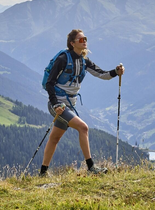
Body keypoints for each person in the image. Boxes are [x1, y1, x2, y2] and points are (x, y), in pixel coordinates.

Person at [40, 29, 125, 176]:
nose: (84, 41)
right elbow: (49, 83)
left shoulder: (84, 61)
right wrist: (55, 104)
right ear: (72, 43)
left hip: (69, 104)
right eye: (80, 39)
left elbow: (102, 74)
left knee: (54, 138)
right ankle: (91, 168)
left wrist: (116, 72)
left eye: (85, 38)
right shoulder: (62, 59)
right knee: (83, 128)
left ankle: (42, 172)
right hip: (58, 105)